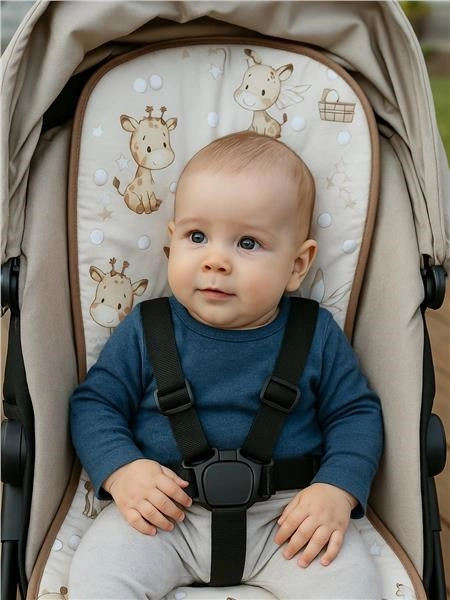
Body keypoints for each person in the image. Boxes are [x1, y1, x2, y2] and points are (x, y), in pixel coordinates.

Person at [69, 131, 383, 599]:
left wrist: (337, 489)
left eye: (248, 243)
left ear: (298, 265)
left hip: (287, 520)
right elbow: (94, 404)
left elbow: (356, 414)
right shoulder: (147, 329)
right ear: (172, 243)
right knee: (100, 577)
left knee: (350, 585)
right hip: (163, 515)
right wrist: (123, 470)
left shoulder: (314, 334)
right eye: (197, 237)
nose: (215, 260)